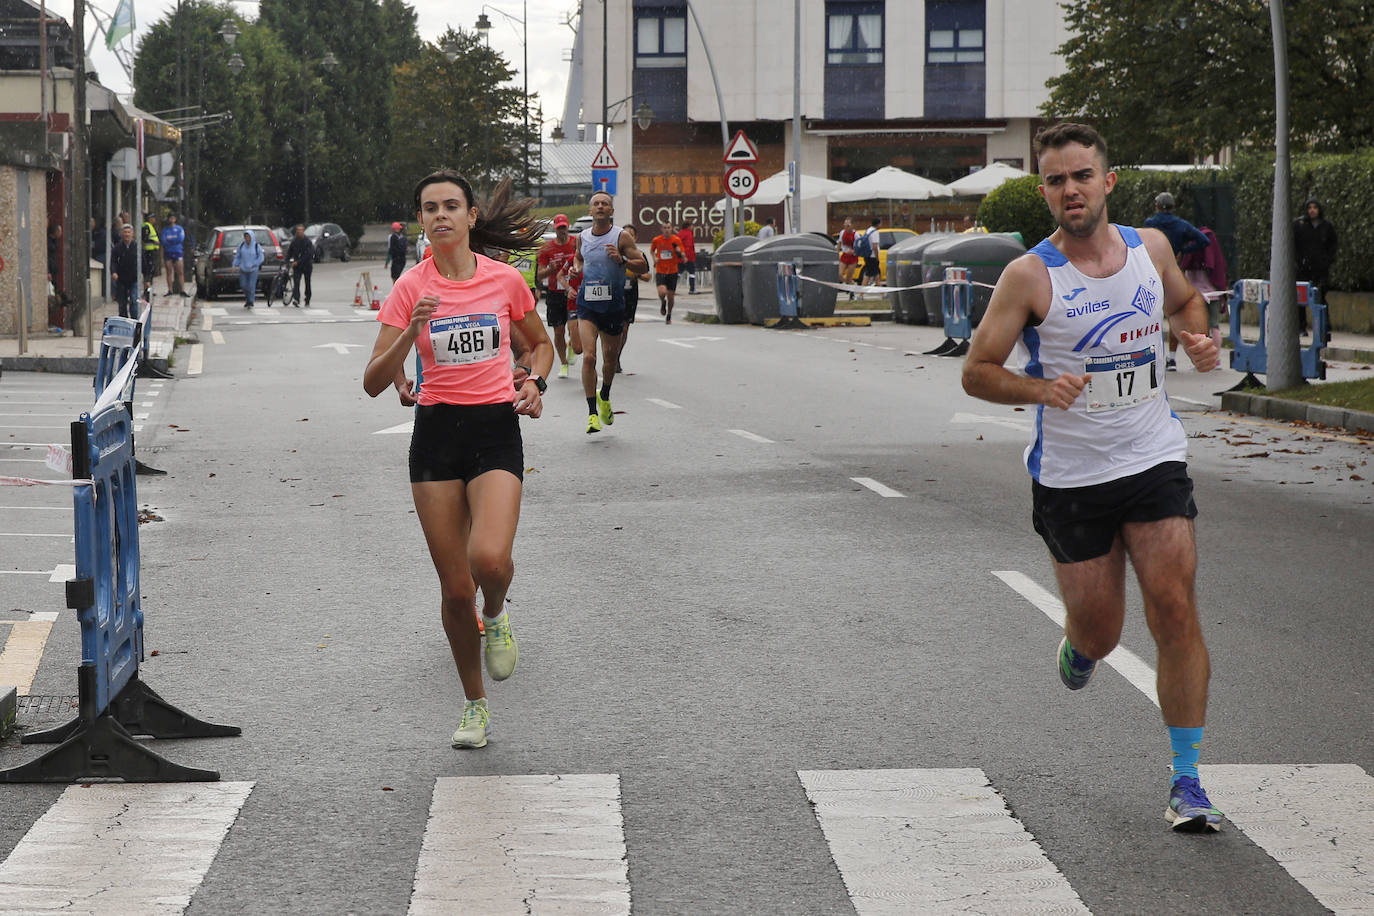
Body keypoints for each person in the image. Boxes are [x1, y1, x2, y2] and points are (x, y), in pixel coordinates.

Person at [961, 122, 1225, 834]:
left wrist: (1197, 335)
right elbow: (977, 372)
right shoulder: (1031, 276)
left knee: (1174, 608)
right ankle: (1081, 646)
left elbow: (1184, 302)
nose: (1069, 190)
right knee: (1103, 632)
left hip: (1153, 456)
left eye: (1081, 176)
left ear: (1107, 182)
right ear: (1044, 192)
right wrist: (1039, 391)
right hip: (1073, 477)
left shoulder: (1151, 248)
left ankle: (1188, 779)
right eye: (1055, 180)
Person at [363, 170, 552, 750]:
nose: (440, 215)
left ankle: (497, 612)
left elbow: (539, 344)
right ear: (420, 220)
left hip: (496, 428)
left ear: (472, 217)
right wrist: (409, 334)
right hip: (437, 436)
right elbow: (373, 381)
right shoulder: (408, 289)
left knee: (490, 560)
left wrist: (536, 381)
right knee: (453, 590)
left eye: (451, 206)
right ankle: (475, 704)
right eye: (429, 208)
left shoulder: (504, 281)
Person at [574, 190, 647, 433]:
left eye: (605, 203)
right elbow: (578, 260)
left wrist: (623, 261)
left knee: (609, 360)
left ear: (611, 211)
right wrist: (576, 270)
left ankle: (604, 394)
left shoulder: (621, 237)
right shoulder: (582, 237)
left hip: (613, 306)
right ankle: (592, 413)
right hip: (587, 305)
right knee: (588, 356)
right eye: (597, 203)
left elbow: (643, 265)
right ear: (590, 210)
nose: (601, 206)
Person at [1145, 193, 1209, 369]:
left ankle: (1154, 356)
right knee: (1176, 312)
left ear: (1157, 206)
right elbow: (1204, 240)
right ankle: (1172, 358)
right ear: (1173, 206)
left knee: (1151, 314)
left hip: (1153, 272)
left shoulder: (1150, 224)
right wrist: (1184, 250)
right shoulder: (1181, 225)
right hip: (1174, 271)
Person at [536, 214, 578, 378]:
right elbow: (539, 275)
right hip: (555, 293)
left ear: (568, 227)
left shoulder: (575, 243)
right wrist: (550, 269)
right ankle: (563, 363)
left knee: (574, 329)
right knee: (559, 331)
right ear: (555, 228)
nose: (562, 231)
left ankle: (573, 345)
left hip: (573, 292)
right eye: (559, 228)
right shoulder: (547, 249)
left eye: (564, 228)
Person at [1293, 198, 1337, 335]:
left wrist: (1327, 260)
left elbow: (1332, 245)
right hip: (1303, 268)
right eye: (1309, 208)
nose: (1312, 210)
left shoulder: (1326, 226)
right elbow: (1293, 244)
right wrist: (1298, 261)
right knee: (1301, 298)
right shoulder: (1299, 225)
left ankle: (1324, 325)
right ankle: (1301, 327)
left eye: (1315, 207)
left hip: (1320, 268)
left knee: (1320, 296)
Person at [617, 224, 650, 372]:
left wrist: (636, 272)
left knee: (624, 328)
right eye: (625, 234)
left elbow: (648, 276)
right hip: (615, 295)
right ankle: (610, 355)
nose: (628, 237)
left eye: (631, 235)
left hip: (630, 295)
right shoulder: (615, 253)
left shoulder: (640, 256)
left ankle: (616, 356)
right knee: (611, 328)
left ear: (635, 238)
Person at [650, 221, 686, 324]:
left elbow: (682, 254)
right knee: (662, 291)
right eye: (665, 228)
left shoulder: (676, 240)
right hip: (661, 270)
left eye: (668, 227)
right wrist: (654, 258)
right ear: (662, 229)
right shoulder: (657, 240)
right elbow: (652, 251)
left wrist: (679, 252)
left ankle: (669, 314)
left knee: (671, 296)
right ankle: (662, 301)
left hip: (672, 271)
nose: (666, 230)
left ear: (672, 228)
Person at [110, 224, 138, 319]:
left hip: (134, 278)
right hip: (121, 278)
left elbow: (144, 262)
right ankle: (124, 321)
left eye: (129, 232)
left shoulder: (137, 247)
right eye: (125, 232)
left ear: (132, 234)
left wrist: (147, 278)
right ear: (121, 234)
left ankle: (135, 321)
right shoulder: (117, 248)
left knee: (134, 300)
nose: (127, 234)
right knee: (122, 302)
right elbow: (113, 261)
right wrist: (114, 272)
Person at [232, 230, 265, 308]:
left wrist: (255, 264)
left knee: (251, 286)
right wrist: (234, 265)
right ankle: (248, 298)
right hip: (243, 269)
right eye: (246, 237)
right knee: (243, 285)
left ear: (252, 237)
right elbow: (238, 256)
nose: (247, 238)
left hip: (253, 270)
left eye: (248, 237)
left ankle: (250, 301)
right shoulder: (241, 245)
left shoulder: (256, 246)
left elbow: (261, 258)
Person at [286, 224, 314, 307]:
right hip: (297, 266)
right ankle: (296, 299)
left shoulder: (308, 242)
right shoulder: (294, 241)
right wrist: (286, 260)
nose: (299, 232)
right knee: (296, 282)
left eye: (301, 231)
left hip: (306, 265)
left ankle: (307, 298)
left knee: (307, 282)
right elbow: (289, 252)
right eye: (298, 231)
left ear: (303, 231)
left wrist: (298, 262)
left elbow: (308, 255)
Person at [162, 214, 187, 297]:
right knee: (169, 272)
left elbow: (180, 239)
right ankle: (170, 290)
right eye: (170, 218)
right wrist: (173, 240)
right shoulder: (165, 229)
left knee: (180, 271)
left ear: (175, 219)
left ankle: (182, 290)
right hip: (168, 252)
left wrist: (171, 240)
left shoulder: (179, 229)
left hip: (178, 251)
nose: (172, 219)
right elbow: (163, 240)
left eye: (173, 218)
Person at [46, 222, 65, 333]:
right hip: (50, 273)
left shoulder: (54, 242)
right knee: (52, 298)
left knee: (55, 296)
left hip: (54, 271)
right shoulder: (48, 243)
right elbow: (47, 257)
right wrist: (48, 271)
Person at [837, 217, 859, 298]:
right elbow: (839, 243)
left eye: (848, 225)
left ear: (852, 225)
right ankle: (849, 286)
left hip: (853, 257)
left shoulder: (856, 234)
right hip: (845, 255)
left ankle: (851, 291)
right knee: (839, 274)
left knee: (849, 276)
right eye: (845, 224)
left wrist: (854, 251)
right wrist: (837, 252)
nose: (846, 226)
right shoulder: (842, 232)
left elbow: (859, 246)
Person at [140, 215, 161, 300]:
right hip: (148, 251)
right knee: (148, 271)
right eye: (153, 218)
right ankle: (146, 290)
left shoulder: (151, 226)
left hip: (152, 251)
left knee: (151, 271)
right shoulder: (146, 226)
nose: (154, 219)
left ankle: (149, 289)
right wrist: (154, 241)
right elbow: (145, 238)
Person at [677, 217, 698, 294]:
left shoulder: (680, 233)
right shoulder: (689, 234)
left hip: (680, 257)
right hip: (688, 257)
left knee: (678, 273)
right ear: (688, 226)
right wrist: (687, 257)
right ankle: (692, 289)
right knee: (692, 273)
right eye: (692, 225)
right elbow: (689, 246)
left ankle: (671, 288)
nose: (693, 227)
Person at [860, 217, 882, 287]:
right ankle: (861, 294)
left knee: (876, 275)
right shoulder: (875, 232)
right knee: (869, 275)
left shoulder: (868, 230)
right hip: (872, 257)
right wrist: (877, 257)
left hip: (867, 255)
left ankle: (883, 293)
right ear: (878, 224)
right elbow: (875, 246)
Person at [385, 221, 408, 285]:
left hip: (397, 258)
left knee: (395, 275)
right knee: (396, 275)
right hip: (402, 258)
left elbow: (392, 249)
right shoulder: (403, 237)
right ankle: (396, 287)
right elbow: (405, 249)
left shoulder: (393, 237)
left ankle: (396, 288)